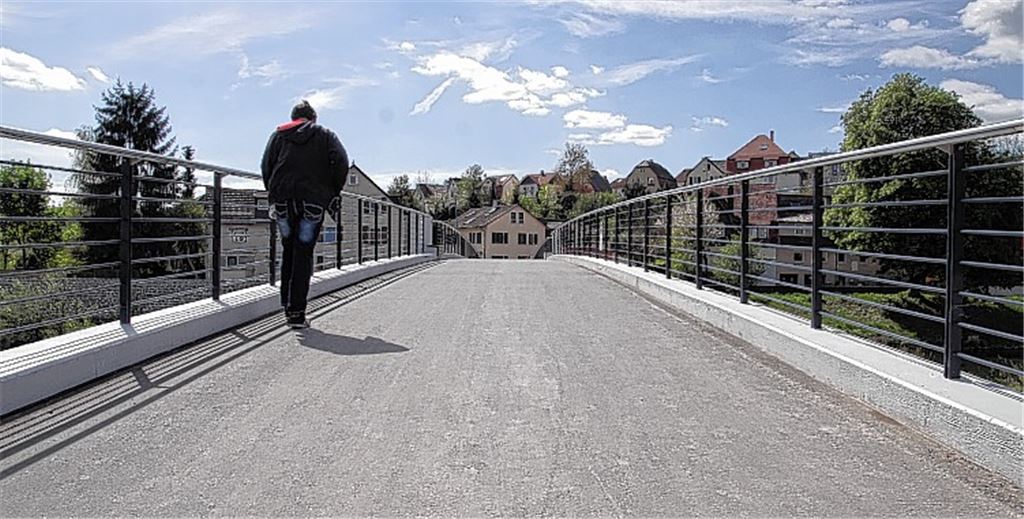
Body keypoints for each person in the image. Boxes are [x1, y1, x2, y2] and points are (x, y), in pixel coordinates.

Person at [261, 100, 349, 329]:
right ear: (313, 118)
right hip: (312, 201)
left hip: (282, 202)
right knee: (304, 252)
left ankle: (286, 304)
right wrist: (330, 192)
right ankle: (297, 313)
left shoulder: (278, 135)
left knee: (288, 249)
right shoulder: (325, 135)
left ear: (293, 118)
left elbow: (266, 165)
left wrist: (273, 192)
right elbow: (341, 162)